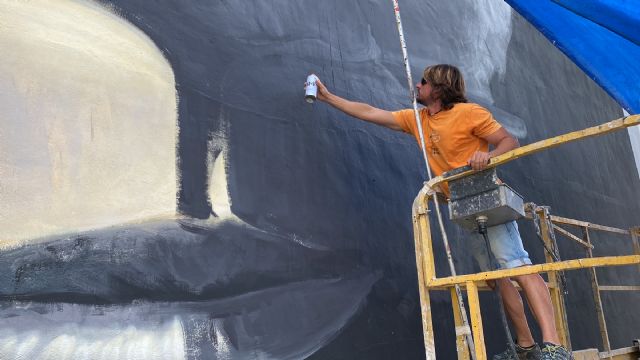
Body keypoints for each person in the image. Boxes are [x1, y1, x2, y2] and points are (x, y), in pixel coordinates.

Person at [313, 64, 571, 360]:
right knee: (496, 277)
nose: (417, 85)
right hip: (464, 207)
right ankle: (526, 347)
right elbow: (372, 113)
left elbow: (509, 141)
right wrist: (329, 98)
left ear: (437, 88)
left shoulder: (469, 113)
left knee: (518, 266)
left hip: (487, 198)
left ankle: (554, 346)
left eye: (423, 82)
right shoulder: (418, 120)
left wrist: (486, 155)